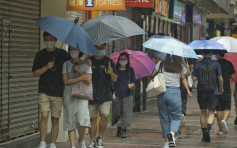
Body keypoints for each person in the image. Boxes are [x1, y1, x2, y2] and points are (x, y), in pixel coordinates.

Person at [32, 32, 70, 148]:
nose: (49, 41)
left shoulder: (62, 54)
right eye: (47, 39)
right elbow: (35, 73)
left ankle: (53, 143)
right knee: (44, 115)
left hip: (58, 91)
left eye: (51, 39)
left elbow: (73, 63)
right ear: (44, 40)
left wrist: (84, 61)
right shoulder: (40, 54)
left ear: (56, 39)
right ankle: (43, 142)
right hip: (43, 90)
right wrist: (46, 67)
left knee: (55, 118)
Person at [151, 54, 192, 148]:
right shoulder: (179, 66)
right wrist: (183, 61)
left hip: (161, 92)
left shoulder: (160, 64)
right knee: (176, 117)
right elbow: (188, 74)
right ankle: (172, 134)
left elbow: (152, 74)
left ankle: (166, 143)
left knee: (164, 118)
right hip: (174, 93)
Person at [87, 43, 117, 148]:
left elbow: (115, 79)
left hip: (106, 94)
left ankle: (100, 137)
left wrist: (111, 73)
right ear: (94, 47)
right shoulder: (89, 60)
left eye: (102, 47)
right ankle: (92, 140)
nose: (100, 49)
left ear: (105, 47)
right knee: (93, 119)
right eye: (98, 47)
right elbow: (85, 76)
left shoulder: (109, 61)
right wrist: (88, 67)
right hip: (92, 94)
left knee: (105, 115)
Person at [62, 46, 92, 148]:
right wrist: (80, 78)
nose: (73, 51)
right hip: (69, 94)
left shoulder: (87, 64)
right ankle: (73, 146)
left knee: (82, 120)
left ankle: (81, 139)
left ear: (80, 51)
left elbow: (88, 80)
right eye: (71, 49)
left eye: (75, 49)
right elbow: (65, 81)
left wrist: (79, 70)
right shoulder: (65, 64)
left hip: (82, 95)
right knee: (70, 121)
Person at [192, 51, 223, 142]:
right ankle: (208, 129)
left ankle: (203, 131)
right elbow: (220, 78)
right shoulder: (216, 64)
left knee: (203, 112)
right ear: (211, 54)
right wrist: (221, 88)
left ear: (203, 54)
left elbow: (194, 78)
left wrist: (199, 76)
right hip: (213, 91)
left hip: (201, 91)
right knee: (211, 112)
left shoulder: (198, 64)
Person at [113, 52, 136, 138]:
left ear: (127, 60)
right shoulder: (115, 70)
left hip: (128, 94)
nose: (123, 61)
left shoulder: (130, 70)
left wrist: (131, 85)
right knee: (117, 112)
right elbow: (112, 81)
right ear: (119, 60)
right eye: (121, 59)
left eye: (124, 59)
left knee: (126, 113)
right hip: (117, 94)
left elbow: (134, 81)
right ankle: (119, 127)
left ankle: (124, 130)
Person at [215, 53, 235, 135]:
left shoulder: (215, 64)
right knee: (227, 108)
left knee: (219, 109)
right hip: (226, 89)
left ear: (218, 55)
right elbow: (233, 77)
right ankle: (224, 120)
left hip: (217, 89)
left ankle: (220, 130)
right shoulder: (229, 63)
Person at [180, 59, 191, 126]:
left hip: (173, 86)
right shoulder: (181, 64)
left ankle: (181, 112)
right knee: (183, 99)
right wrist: (184, 63)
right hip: (182, 84)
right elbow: (188, 74)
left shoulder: (166, 64)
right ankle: (182, 112)